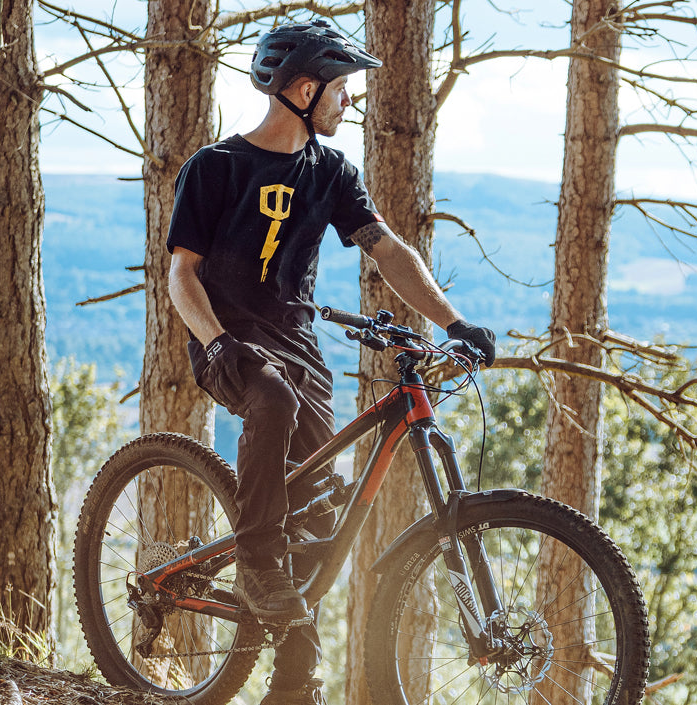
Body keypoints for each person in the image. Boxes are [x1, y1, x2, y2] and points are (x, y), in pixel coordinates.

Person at [164, 20, 496, 705]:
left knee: (320, 512)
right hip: (227, 340)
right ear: (306, 89)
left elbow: (388, 250)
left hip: (299, 352)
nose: (349, 101)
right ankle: (257, 559)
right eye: (341, 88)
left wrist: (454, 322)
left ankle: (291, 683)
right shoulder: (216, 167)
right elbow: (181, 276)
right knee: (271, 398)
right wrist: (217, 340)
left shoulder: (331, 171)